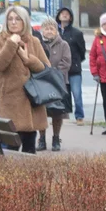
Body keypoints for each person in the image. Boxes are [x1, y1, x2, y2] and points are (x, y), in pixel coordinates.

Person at [0, 6, 50, 153]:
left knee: (30, 147)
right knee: (10, 148)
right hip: (11, 102)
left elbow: (46, 68)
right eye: (10, 19)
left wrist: (28, 59)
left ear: (24, 22)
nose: (13, 22)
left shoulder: (34, 41)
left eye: (17, 19)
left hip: (32, 102)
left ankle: (29, 176)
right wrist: (10, 44)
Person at [38, 17, 71, 152]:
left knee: (57, 113)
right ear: (42, 31)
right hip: (41, 83)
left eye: (52, 28)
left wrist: (54, 74)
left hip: (59, 83)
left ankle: (56, 138)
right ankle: (41, 139)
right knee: (41, 112)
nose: (49, 31)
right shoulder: (38, 44)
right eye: (46, 28)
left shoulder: (63, 45)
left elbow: (66, 62)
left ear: (56, 31)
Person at [56, 6, 87, 124]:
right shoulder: (55, 32)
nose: (64, 15)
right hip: (59, 69)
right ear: (58, 16)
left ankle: (79, 116)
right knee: (62, 94)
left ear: (70, 17)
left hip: (74, 69)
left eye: (67, 14)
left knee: (77, 93)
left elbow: (82, 51)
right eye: (62, 13)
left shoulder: (77, 33)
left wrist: (76, 62)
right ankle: (62, 115)